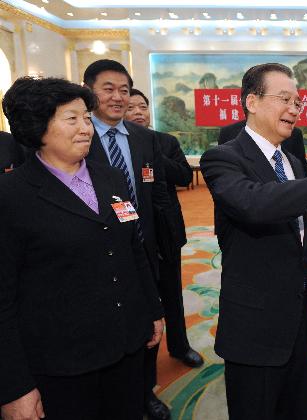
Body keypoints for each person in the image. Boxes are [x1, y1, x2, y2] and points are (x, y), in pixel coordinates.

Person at [0, 77, 164, 420]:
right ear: (38, 126)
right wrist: (14, 387)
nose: (86, 128)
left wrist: (152, 310)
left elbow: (134, 250)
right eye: (72, 119)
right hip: (64, 362)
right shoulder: (11, 195)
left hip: (126, 345)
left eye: (87, 118)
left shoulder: (111, 177)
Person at [200, 63, 307, 420]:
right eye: (284, 99)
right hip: (255, 328)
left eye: (298, 102)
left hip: (301, 322)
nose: (294, 109)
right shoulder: (223, 157)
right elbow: (254, 203)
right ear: (252, 102)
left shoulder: (293, 162)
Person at [83, 59, 172, 420]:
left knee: (148, 320)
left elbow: (158, 192)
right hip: (95, 252)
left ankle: (145, 390)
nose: (118, 97)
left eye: (124, 90)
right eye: (109, 89)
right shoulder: (77, 136)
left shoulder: (144, 138)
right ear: (89, 91)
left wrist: (166, 243)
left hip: (143, 245)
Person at [125, 89, 204, 368]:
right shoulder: (116, 145)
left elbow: (183, 176)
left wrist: (153, 152)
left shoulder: (165, 141)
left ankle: (180, 347)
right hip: (132, 233)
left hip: (165, 231)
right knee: (139, 298)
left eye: (142, 106)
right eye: (131, 107)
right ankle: (143, 358)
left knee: (172, 293)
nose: (138, 112)